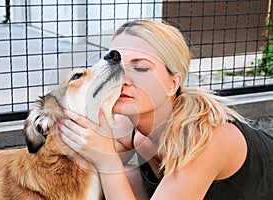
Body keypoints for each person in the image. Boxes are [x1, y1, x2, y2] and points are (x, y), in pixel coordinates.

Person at [58, 20, 273, 199]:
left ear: (173, 83)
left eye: (141, 67)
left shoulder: (203, 138)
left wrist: (107, 158)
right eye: (116, 64)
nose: (121, 78)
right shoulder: (127, 125)